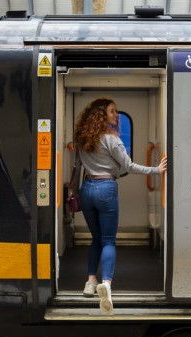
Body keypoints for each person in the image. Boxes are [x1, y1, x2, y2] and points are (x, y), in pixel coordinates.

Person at [74, 97, 167, 314]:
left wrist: (74, 192)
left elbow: (76, 167)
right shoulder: (112, 139)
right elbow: (129, 166)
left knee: (95, 238)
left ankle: (89, 282)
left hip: (86, 188)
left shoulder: (81, 138)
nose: (116, 115)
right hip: (106, 187)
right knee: (108, 240)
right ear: (102, 115)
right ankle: (106, 284)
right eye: (113, 111)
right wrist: (156, 170)